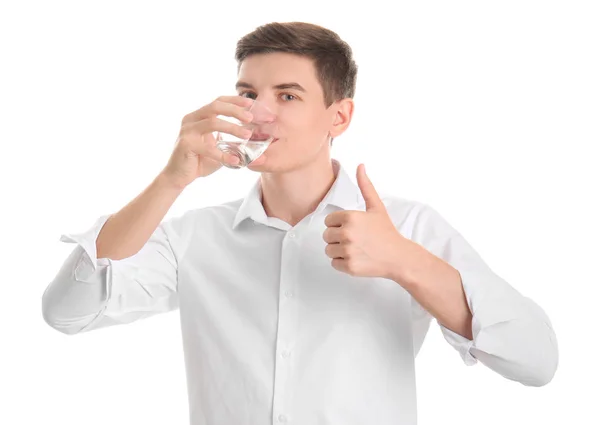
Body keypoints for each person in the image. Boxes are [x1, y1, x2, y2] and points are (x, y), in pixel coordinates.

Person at [42, 21, 559, 425]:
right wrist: (171, 181)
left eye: (287, 96)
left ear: (339, 117)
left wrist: (405, 262)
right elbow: (66, 312)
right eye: (248, 94)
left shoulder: (405, 225)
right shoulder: (194, 237)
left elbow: (537, 361)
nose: (259, 113)